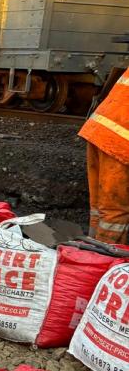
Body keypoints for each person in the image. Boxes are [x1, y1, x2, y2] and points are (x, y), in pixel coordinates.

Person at [79, 68, 129, 243]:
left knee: (99, 208)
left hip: (98, 131)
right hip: (120, 143)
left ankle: (90, 250)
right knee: (116, 213)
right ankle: (106, 258)